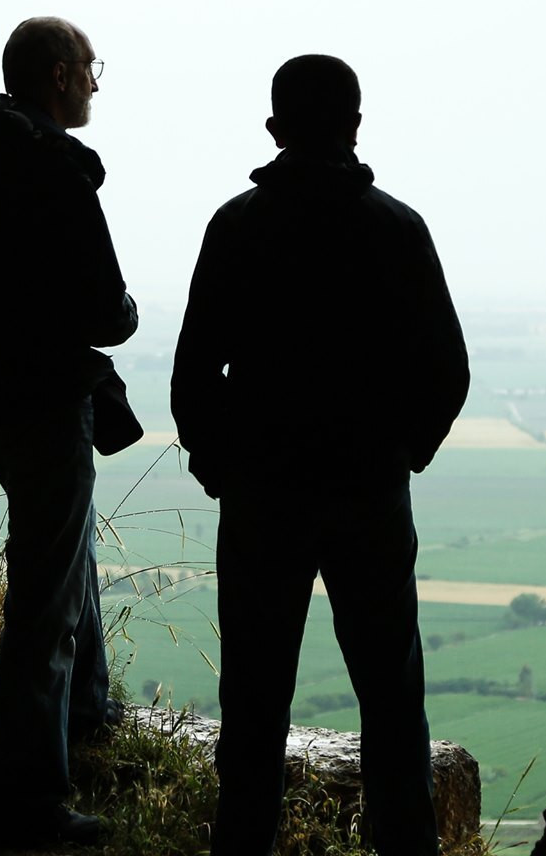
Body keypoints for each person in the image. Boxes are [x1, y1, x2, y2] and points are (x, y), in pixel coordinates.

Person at [170, 54, 468, 856]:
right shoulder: (396, 227)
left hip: (263, 492)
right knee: (392, 696)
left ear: (274, 129)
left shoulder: (237, 225)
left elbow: (194, 372)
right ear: (356, 124)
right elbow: (448, 371)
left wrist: (220, 463)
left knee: (256, 696)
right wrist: (400, 454)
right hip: (369, 489)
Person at [0, 16, 143, 850]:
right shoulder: (53, 171)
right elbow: (105, 313)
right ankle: (20, 802)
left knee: (62, 551)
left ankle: (85, 716)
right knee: (43, 599)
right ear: (57, 75)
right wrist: (123, 314)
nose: (94, 82)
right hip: (42, 399)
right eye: (89, 67)